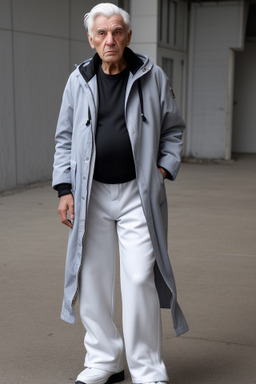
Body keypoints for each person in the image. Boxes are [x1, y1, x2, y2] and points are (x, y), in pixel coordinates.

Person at [52, 3, 189, 384]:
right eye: (101, 33)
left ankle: (147, 369)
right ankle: (104, 361)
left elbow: (174, 129)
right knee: (93, 278)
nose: (109, 39)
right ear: (91, 39)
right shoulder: (78, 80)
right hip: (91, 194)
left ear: (128, 36)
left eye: (116, 32)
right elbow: (65, 138)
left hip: (137, 195)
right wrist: (65, 189)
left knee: (139, 277)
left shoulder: (153, 76)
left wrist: (161, 170)